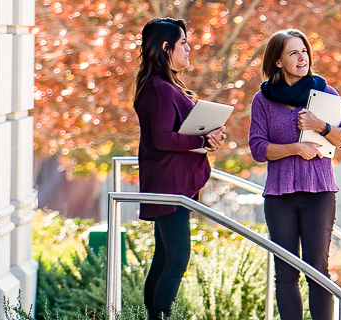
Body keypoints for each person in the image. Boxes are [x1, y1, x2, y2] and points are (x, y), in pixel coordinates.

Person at [248, 28, 341, 320]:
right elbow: (258, 149)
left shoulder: (325, 93)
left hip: (319, 194)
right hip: (279, 196)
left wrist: (321, 125)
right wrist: (295, 148)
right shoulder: (262, 100)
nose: (302, 58)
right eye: (293, 53)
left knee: (316, 269)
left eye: (304, 51)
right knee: (285, 272)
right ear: (278, 62)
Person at [131, 17, 227, 320]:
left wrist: (207, 138)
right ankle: (158, 317)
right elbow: (161, 139)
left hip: (173, 183)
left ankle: (152, 316)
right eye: (183, 43)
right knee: (177, 258)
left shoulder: (165, 86)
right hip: (168, 186)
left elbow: (174, 133)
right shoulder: (158, 89)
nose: (189, 48)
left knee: (164, 258)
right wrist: (201, 138)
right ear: (165, 48)